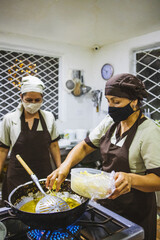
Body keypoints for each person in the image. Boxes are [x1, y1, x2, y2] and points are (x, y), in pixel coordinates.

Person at [46, 73, 160, 240]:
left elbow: (157, 180)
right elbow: (85, 146)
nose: (111, 106)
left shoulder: (149, 131)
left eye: (116, 101)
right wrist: (65, 165)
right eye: (108, 100)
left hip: (135, 212)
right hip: (106, 204)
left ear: (134, 101)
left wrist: (131, 179)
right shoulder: (110, 122)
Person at [0, 75, 61, 201]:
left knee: (44, 208)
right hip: (17, 176)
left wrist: (60, 170)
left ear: (42, 99)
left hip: (44, 174)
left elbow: (54, 145)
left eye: (37, 100)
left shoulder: (49, 118)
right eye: (29, 100)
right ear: (21, 97)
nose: (33, 103)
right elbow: (3, 149)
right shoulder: (9, 119)